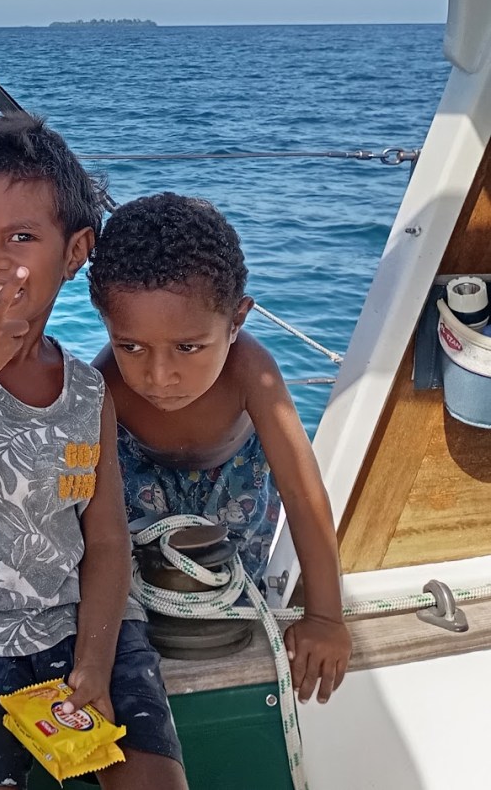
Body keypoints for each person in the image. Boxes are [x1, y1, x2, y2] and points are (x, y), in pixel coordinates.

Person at [0, 114, 187, 790]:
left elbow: (109, 540)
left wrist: (92, 658)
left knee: (154, 778)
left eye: (21, 237)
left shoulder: (89, 389)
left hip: (84, 624)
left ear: (75, 250)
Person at [88, 191, 350, 704]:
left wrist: (325, 617)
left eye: (188, 347)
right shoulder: (104, 386)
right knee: (147, 596)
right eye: (131, 346)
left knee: (228, 593)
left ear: (237, 321)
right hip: (139, 473)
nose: (159, 376)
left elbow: (302, 493)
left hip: (234, 479)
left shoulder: (252, 373)